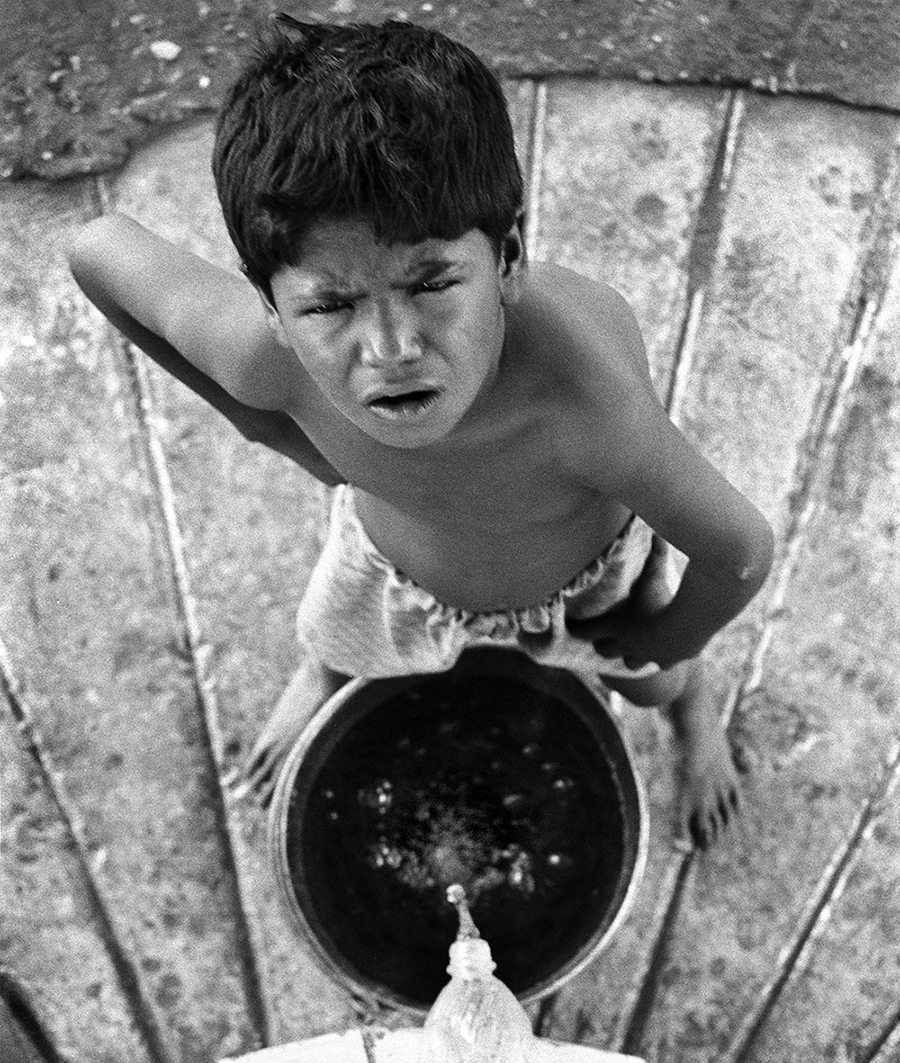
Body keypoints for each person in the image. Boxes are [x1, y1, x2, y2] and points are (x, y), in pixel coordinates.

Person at [68, 15, 774, 849]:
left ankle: (696, 723)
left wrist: (669, 633)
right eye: (331, 305)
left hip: (583, 591)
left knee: (655, 680)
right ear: (270, 302)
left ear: (507, 257)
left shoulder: (583, 409)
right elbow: (98, 251)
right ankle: (325, 673)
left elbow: (739, 549)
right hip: (389, 564)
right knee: (337, 638)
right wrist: (262, 426)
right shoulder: (270, 359)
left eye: (432, 282)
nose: (392, 349)